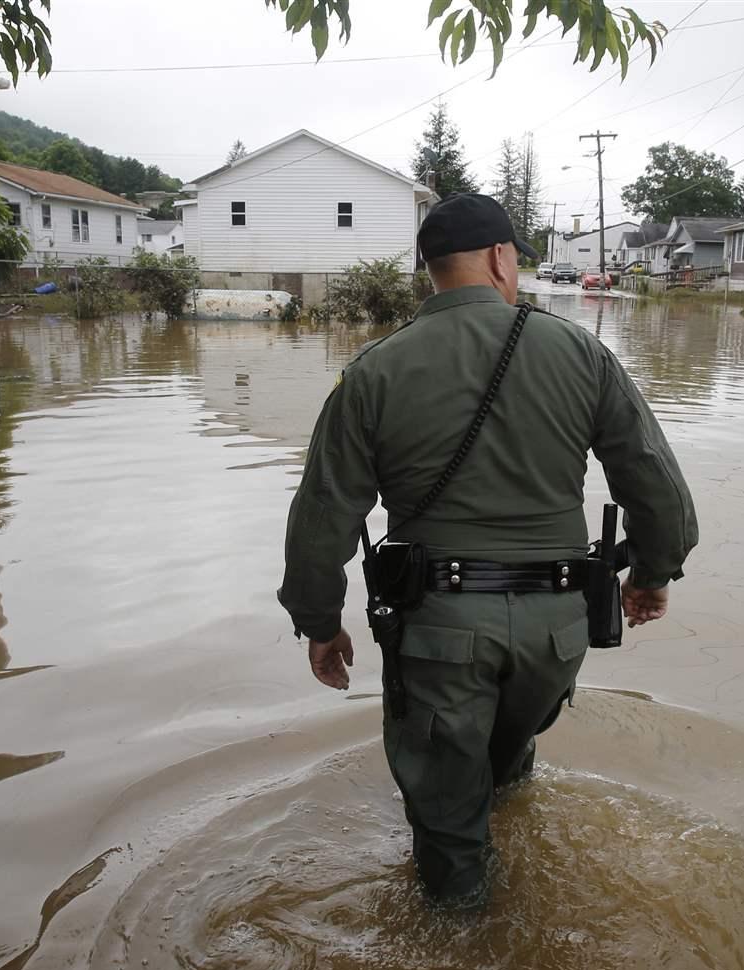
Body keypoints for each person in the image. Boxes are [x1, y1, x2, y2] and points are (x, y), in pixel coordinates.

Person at [277, 193, 698, 905]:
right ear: (503, 258)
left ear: (429, 271)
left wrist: (319, 622)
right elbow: (659, 493)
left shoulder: (374, 371)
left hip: (441, 632)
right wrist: (654, 573)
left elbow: (322, 518)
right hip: (559, 630)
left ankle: (460, 960)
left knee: (447, 829)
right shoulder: (580, 353)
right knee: (508, 764)